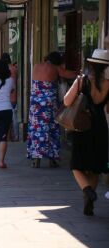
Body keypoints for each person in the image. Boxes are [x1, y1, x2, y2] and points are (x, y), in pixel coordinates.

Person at [64, 49, 109, 216]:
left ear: (91, 64)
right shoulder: (108, 83)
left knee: (77, 165)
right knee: (95, 167)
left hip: (83, 126)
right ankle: (89, 201)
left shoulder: (82, 80)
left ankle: (88, 190)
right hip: (101, 126)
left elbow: (67, 101)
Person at [27, 51, 77, 168]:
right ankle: (52, 158)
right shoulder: (56, 68)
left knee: (36, 129)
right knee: (52, 129)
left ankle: (35, 159)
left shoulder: (36, 66)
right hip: (49, 103)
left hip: (35, 103)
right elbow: (71, 75)